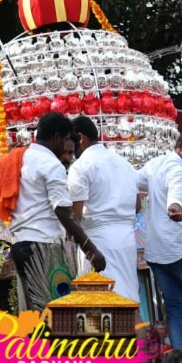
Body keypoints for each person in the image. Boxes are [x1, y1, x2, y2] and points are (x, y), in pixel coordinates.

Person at [0, 112, 106, 313]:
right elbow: (63, 211)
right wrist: (90, 249)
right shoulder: (50, 164)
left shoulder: (14, 160)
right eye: (67, 139)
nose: (68, 147)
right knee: (57, 315)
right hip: (43, 247)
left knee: (35, 314)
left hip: (20, 246)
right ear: (56, 137)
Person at [138, 127, 182, 351]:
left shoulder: (153, 165)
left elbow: (133, 183)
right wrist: (174, 207)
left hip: (157, 254)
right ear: (179, 146)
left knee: (175, 310)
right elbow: (176, 190)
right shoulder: (178, 170)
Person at [67, 115, 140, 301]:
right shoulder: (125, 164)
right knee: (129, 299)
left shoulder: (81, 166)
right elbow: (137, 205)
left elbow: (74, 217)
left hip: (97, 242)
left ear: (81, 138)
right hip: (127, 239)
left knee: (100, 306)